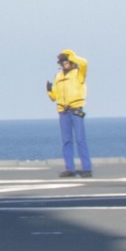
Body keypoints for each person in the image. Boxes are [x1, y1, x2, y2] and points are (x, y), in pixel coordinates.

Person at [46, 49, 92, 178]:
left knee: (80, 140)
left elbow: (84, 63)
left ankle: (86, 168)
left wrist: (71, 55)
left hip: (75, 109)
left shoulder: (79, 73)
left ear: (71, 62)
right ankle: (69, 168)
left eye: (66, 61)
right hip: (63, 112)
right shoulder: (58, 76)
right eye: (62, 62)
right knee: (66, 141)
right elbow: (55, 97)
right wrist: (49, 92)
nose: (64, 64)